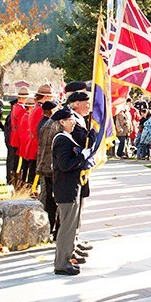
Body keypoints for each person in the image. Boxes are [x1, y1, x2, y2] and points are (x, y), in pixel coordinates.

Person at [51, 107, 92, 276]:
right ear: (62, 122)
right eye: (70, 120)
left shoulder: (67, 138)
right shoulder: (61, 139)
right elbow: (65, 164)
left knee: (70, 226)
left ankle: (67, 257)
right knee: (67, 228)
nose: (73, 122)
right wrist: (83, 156)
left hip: (71, 186)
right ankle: (62, 263)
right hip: (66, 188)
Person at [36, 101, 59, 239]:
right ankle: (48, 229)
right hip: (49, 168)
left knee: (50, 200)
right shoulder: (48, 125)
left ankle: (50, 228)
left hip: (47, 167)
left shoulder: (47, 123)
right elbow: (45, 150)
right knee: (49, 200)